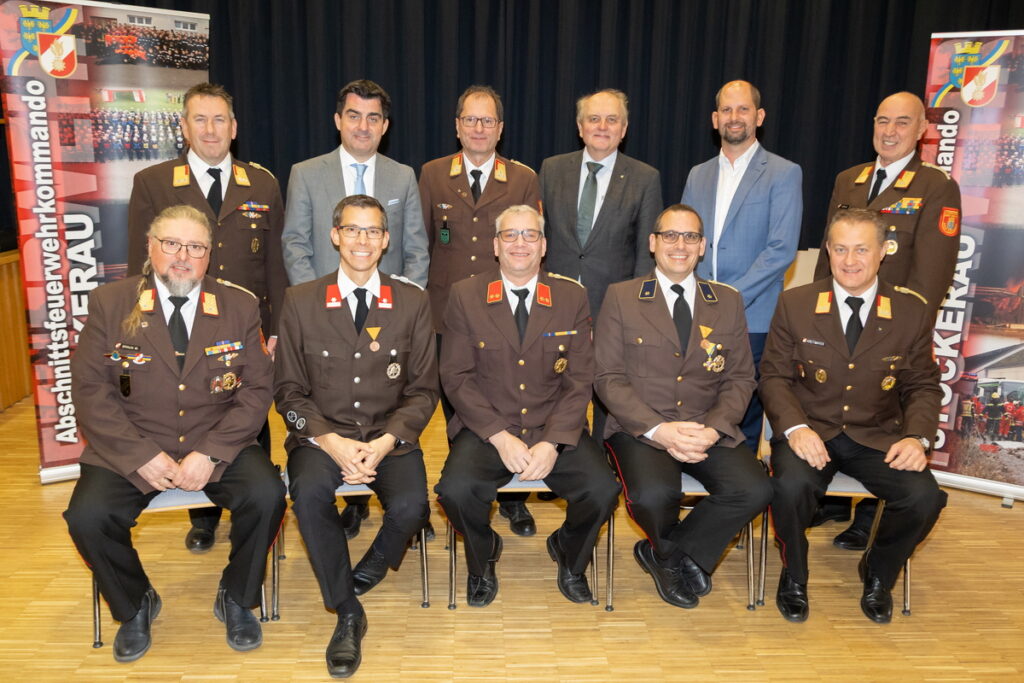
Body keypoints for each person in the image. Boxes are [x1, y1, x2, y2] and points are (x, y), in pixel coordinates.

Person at [65, 205, 286, 662]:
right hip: (131, 443)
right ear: (150, 247)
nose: (183, 257)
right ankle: (134, 604)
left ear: (210, 254)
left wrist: (211, 452)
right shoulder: (110, 302)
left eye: (196, 247)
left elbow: (256, 390)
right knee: (88, 517)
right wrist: (140, 455)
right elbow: (90, 392)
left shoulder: (239, 305)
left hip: (216, 439)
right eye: (171, 244)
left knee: (267, 496)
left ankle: (237, 595)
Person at [274, 195, 438, 678]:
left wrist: (386, 442)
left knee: (412, 507)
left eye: (372, 231)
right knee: (307, 495)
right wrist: (330, 441)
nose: (362, 240)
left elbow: (424, 390)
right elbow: (288, 391)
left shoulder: (412, 302)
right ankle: (347, 609)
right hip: (322, 438)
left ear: (386, 240)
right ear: (335, 235)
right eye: (352, 229)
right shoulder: (301, 300)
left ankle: (373, 564)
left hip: (390, 436)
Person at [760, 208, 947, 624]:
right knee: (789, 487)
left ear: (884, 251)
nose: (849, 260)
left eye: (862, 249)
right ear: (827, 250)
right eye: (840, 249)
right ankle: (794, 574)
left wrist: (917, 437)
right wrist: (795, 427)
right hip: (811, 431)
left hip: (876, 435)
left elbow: (922, 385)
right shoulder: (796, 303)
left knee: (924, 497)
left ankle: (879, 573)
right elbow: (773, 376)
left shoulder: (910, 310)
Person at [126, 82, 287, 552]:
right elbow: (139, 263)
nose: (211, 129)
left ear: (234, 128)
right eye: (200, 119)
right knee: (194, 411)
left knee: (249, 414)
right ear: (184, 127)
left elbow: (275, 265)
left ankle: (253, 509)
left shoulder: (262, 183)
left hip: (246, 326)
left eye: (220, 120)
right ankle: (203, 515)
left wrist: (276, 330)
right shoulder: (154, 182)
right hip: (179, 325)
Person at [435, 205, 621, 607]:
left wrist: (553, 442)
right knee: (455, 491)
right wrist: (500, 437)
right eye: (510, 235)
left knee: (603, 490)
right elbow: (456, 376)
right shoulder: (466, 295)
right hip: (487, 428)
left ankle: (569, 553)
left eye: (530, 235)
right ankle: (482, 558)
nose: (520, 243)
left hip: (553, 425)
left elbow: (579, 379)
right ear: (495, 245)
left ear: (544, 245)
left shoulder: (571, 296)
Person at [595, 204, 772, 609]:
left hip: (706, 426)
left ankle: (667, 554)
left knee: (755, 489)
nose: (680, 245)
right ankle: (678, 557)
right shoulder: (622, 297)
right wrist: (659, 430)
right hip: (641, 430)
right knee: (654, 496)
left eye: (690, 236)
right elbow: (607, 377)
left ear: (702, 246)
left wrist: (713, 429)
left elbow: (741, 378)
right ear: (653, 243)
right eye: (670, 236)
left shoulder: (727, 300)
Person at [812, 92, 961, 551]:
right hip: (838, 320)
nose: (890, 131)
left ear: (922, 130)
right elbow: (828, 254)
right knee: (835, 403)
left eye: (901, 122)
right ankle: (833, 500)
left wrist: (905, 330)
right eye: (882, 121)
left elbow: (932, 275)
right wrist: (815, 314)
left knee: (883, 416)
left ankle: (870, 516)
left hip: (891, 329)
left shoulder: (935, 186)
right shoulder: (849, 180)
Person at [282, 78, 429, 537]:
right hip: (322, 322)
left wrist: (405, 308)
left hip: (388, 319)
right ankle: (352, 499)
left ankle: (389, 492)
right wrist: (317, 311)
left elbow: (415, 250)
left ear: (384, 125)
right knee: (333, 412)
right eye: (353, 115)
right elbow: (295, 244)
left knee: (384, 405)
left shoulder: (403, 175)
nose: (362, 126)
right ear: (338, 120)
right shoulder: (306, 172)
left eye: (372, 118)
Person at [419, 84, 543, 538]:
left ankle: (513, 498)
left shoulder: (523, 179)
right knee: (456, 408)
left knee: (510, 402)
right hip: (444, 315)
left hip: (503, 317)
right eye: (470, 119)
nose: (478, 128)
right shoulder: (433, 174)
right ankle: (467, 493)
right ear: (457, 126)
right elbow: (423, 243)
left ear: (500, 129)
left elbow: (528, 247)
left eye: (487, 120)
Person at [681, 80, 802, 452]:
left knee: (743, 410)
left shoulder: (784, 173)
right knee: (697, 401)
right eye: (727, 110)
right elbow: (684, 241)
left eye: (743, 109)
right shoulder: (697, 174)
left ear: (759, 116)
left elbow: (781, 250)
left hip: (753, 316)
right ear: (715, 119)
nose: (734, 117)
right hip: (698, 313)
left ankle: (742, 480)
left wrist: (729, 299)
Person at [539, 88, 663, 438]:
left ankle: (603, 457)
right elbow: (538, 237)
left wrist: (637, 311)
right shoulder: (551, 169)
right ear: (580, 127)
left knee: (607, 391)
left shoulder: (645, 178)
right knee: (552, 385)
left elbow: (646, 253)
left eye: (612, 120)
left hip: (613, 306)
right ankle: (556, 450)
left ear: (624, 129)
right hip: (555, 302)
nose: (602, 126)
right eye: (594, 119)